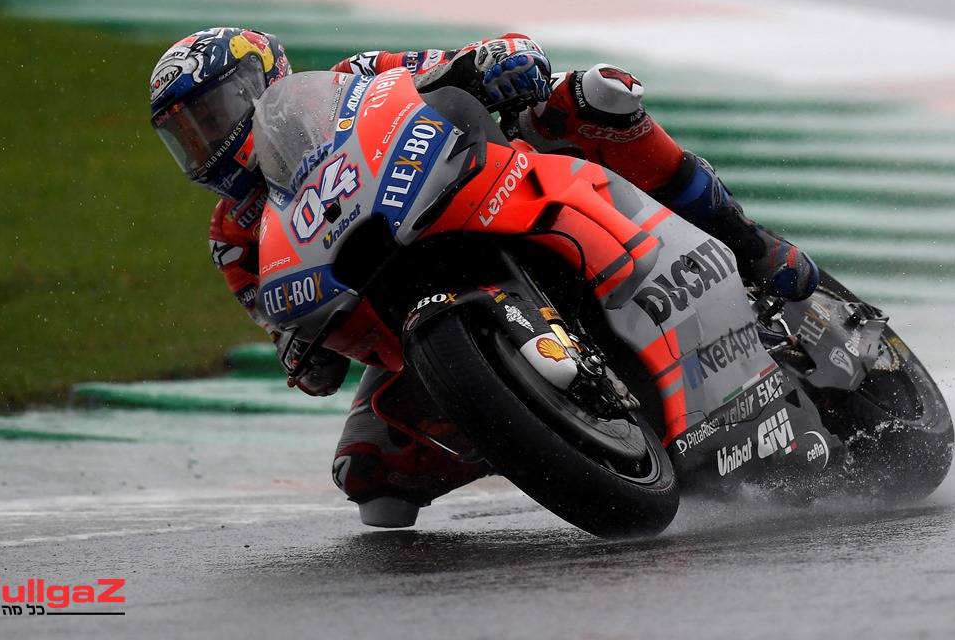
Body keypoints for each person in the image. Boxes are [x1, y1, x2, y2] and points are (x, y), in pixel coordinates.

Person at [148, 26, 819, 527]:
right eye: (188, 135)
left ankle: (750, 246)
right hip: (404, 311)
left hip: (477, 189)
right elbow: (288, 333)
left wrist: (491, 62)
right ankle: (534, 417)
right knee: (370, 478)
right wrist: (302, 350)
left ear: (261, 82)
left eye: (211, 115)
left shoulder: (351, 79)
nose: (206, 142)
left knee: (594, 97)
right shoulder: (233, 238)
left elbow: (443, 67)